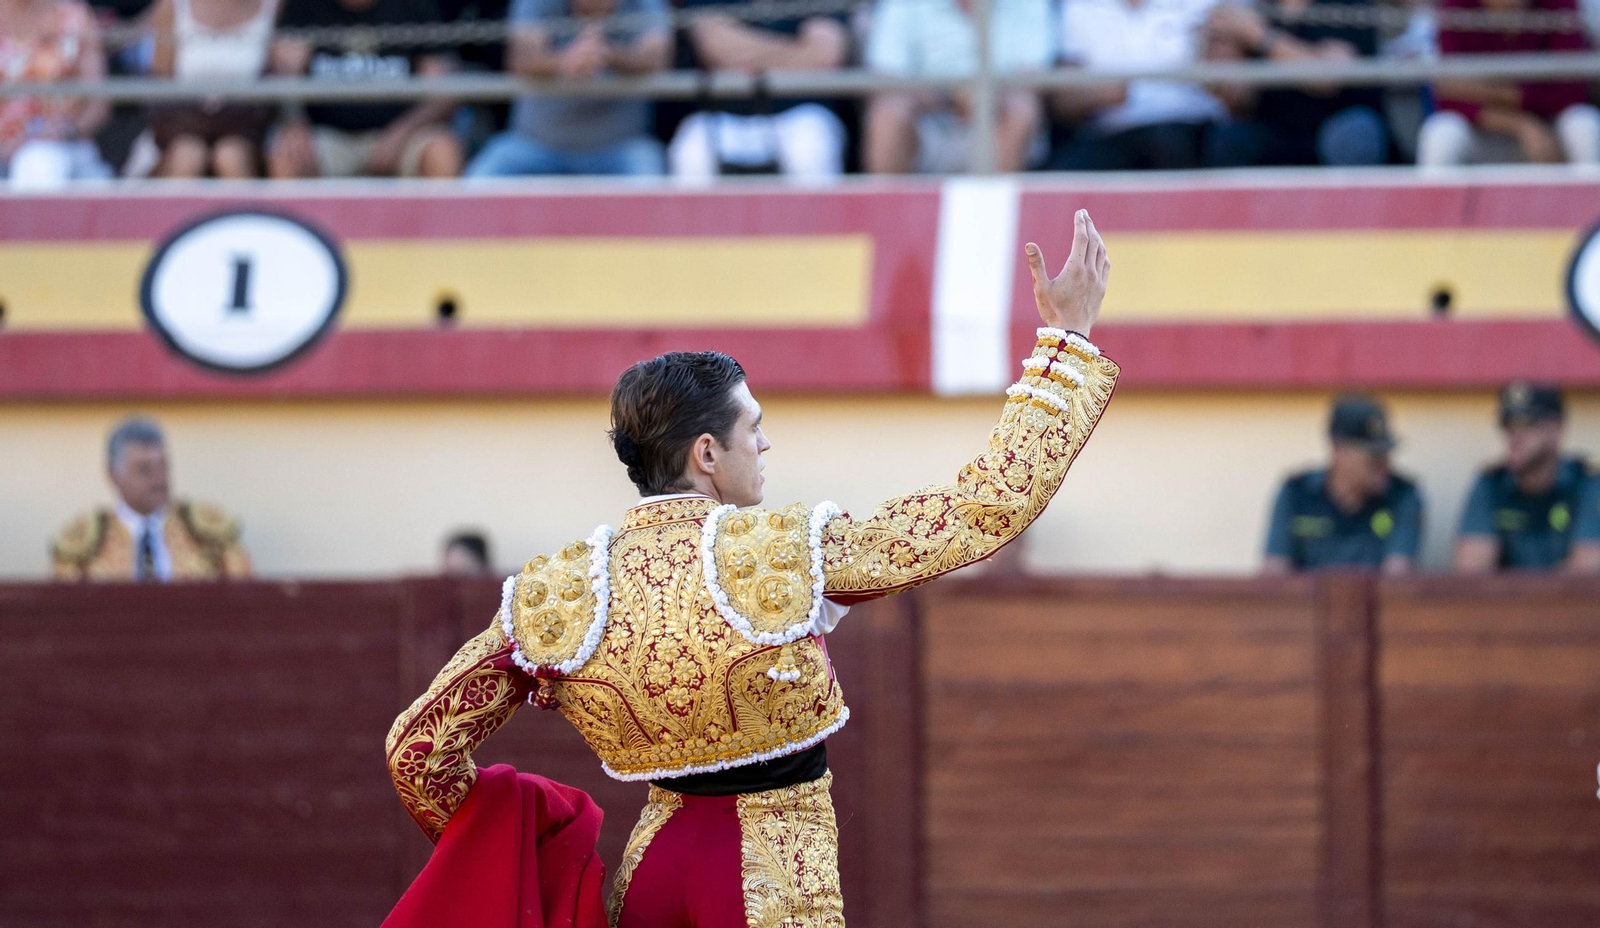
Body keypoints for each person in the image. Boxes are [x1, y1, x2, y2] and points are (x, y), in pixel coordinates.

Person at [385, 210, 1118, 925]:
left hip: (652, 872)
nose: (764, 446)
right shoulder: (782, 555)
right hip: (773, 871)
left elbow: (417, 753)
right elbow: (982, 510)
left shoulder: (557, 596)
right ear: (707, 454)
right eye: (753, 428)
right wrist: (1067, 342)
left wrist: (509, 851)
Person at [464, 0, 669, 177]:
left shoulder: (644, 3)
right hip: (535, 145)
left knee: (649, 175)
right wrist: (565, 61)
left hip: (621, 147)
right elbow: (522, 58)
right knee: (479, 182)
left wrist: (607, 54)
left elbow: (656, 57)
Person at [267, 0, 463, 178]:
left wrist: (400, 134)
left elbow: (441, 93)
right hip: (328, 137)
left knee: (442, 150)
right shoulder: (304, 5)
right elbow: (282, 76)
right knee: (285, 151)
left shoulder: (415, 5)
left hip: (403, 134)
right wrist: (295, 122)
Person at [665, 0, 850, 179]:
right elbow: (714, 46)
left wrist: (744, 53)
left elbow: (823, 55)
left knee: (810, 146)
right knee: (692, 151)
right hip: (722, 116)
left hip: (799, 113)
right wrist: (795, 51)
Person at [862, 0, 1053, 173]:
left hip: (998, 120)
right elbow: (886, 76)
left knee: (1021, 106)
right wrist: (949, 97)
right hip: (927, 125)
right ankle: (889, 208)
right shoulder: (903, 4)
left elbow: (1030, 75)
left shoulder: (1029, 4)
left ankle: (994, 206)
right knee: (889, 109)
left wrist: (981, 98)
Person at [51, 416, 252, 581]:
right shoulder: (85, 544)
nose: (158, 478)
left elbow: (245, 603)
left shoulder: (209, 532)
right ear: (113, 475)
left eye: (163, 466)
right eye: (144, 469)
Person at [1201, 0, 1390, 167]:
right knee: (1230, 138)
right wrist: (1221, 60)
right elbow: (1240, 102)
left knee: (1355, 135)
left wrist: (1257, 35)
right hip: (1277, 133)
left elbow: (1327, 78)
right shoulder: (1257, 9)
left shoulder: (1350, 5)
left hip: (1335, 130)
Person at [1047, 0, 1227, 170]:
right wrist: (1093, 94)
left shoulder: (1199, 4)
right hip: (1111, 133)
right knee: (1061, 174)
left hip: (1192, 129)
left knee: (1170, 144)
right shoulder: (1080, 7)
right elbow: (1063, 102)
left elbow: (1225, 73)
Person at [1417, 0, 1600, 166]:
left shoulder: (1559, 5)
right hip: (1488, 128)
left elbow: (1571, 92)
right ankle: (1428, 205)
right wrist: (1522, 125)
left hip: (1549, 127)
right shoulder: (1456, 6)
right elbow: (1448, 95)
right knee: (1442, 133)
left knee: (1584, 123)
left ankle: (1593, 202)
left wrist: (1478, 89)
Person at [1263, 395, 1423, 574]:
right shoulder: (1297, 494)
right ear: (1340, 451)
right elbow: (1275, 580)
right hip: (1304, 603)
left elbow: (1396, 583)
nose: (1384, 464)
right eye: (1374, 456)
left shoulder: (1401, 497)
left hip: (1374, 603)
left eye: (1386, 453)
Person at [1454, 383, 1600, 572]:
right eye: (1508, 424)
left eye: (1527, 424)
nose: (1515, 437)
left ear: (1556, 430)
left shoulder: (1586, 483)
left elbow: (1587, 574)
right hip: (1504, 603)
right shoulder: (1491, 484)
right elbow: (1471, 574)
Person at [145, 0, 278, 177]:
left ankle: (244, 205)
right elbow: (161, 84)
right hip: (182, 127)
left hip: (249, 129)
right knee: (188, 155)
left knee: (231, 155)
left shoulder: (274, 6)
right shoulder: (172, 6)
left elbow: (280, 73)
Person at [0, 0, 112, 187]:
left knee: (38, 163)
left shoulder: (75, 18)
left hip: (61, 148)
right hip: (5, 148)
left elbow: (98, 104)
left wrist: (63, 134)